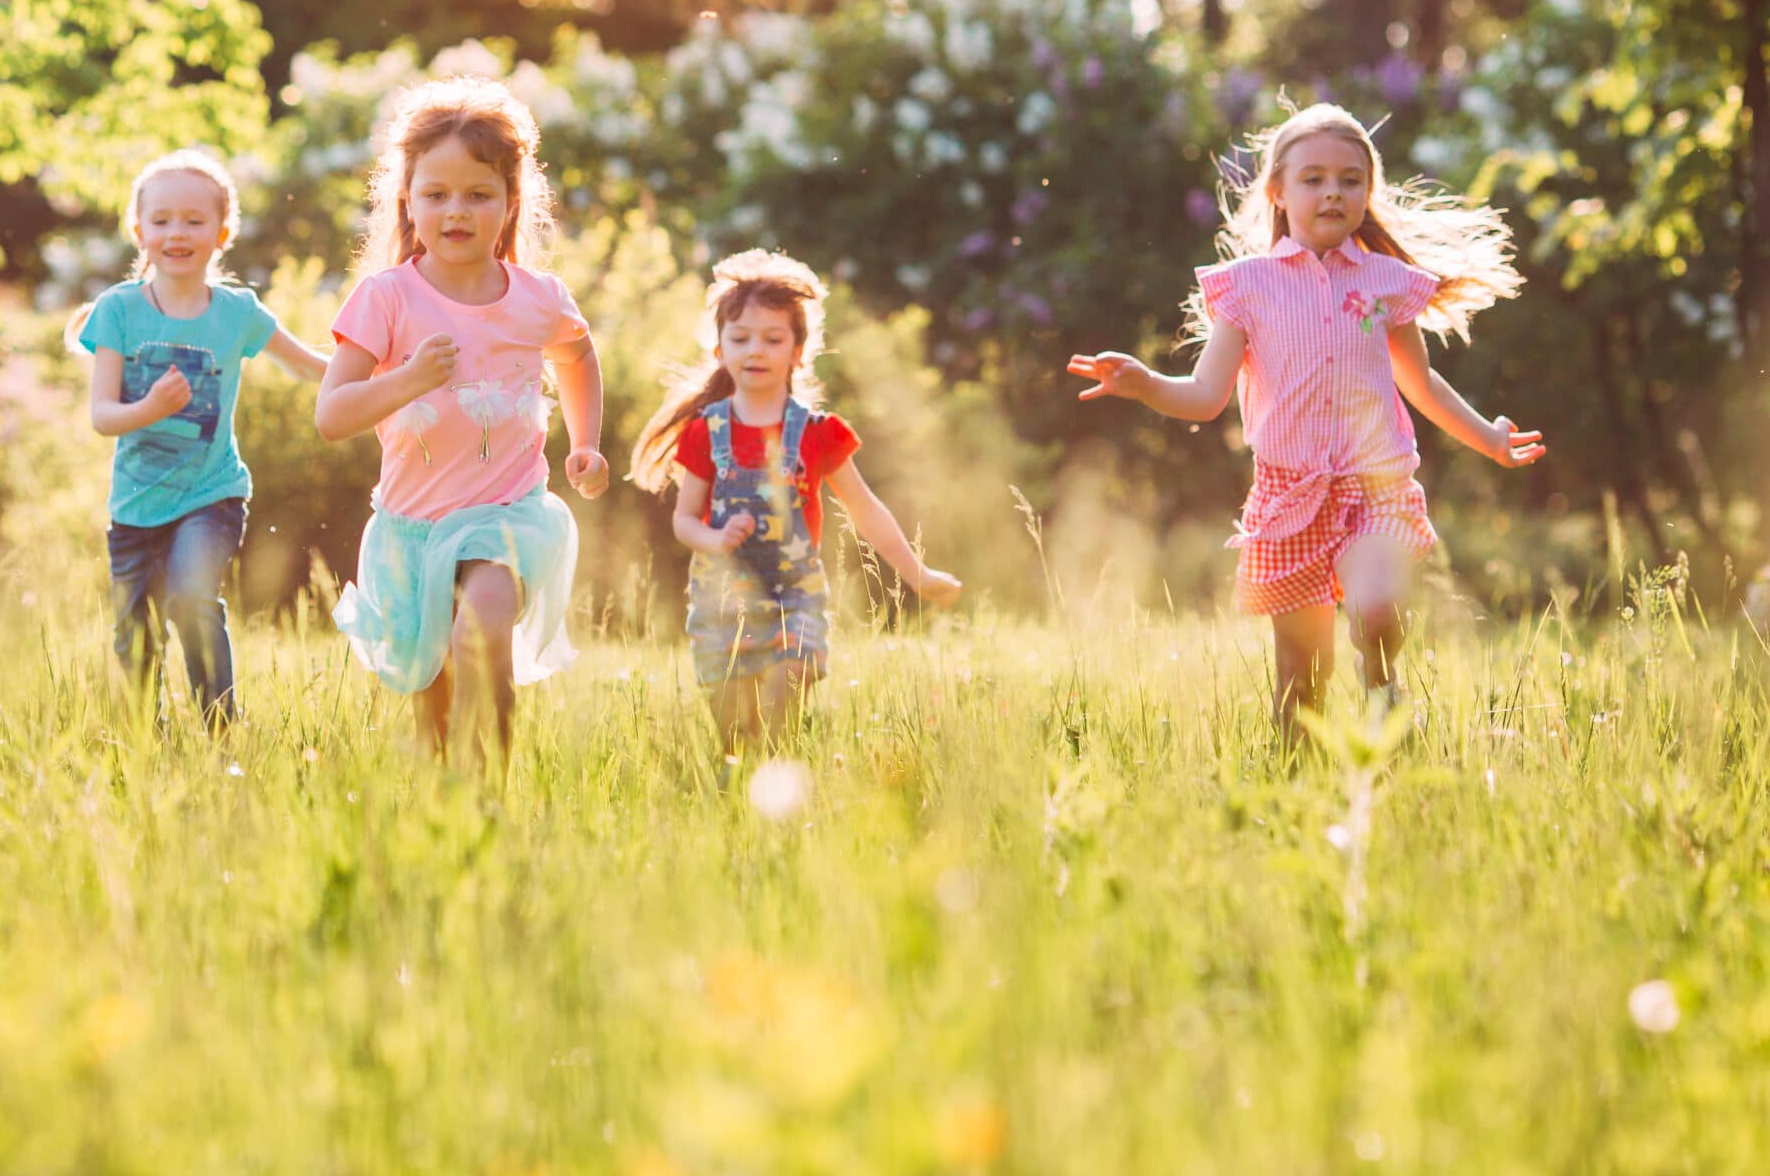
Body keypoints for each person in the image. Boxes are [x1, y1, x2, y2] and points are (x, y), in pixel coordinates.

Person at [1067, 103, 1545, 736]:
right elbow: (1206, 396)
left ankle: (1383, 689)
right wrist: (1146, 384)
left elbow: (1420, 382)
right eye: (1314, 178)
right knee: (1301, 685)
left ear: (1367, 193)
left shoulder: (1385, 282)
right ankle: (1299, 791)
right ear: (1279, 192)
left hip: (1375, 486)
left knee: (1375, 611)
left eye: (1350, 180)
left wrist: (1489, 438)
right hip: (1288, 498)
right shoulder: (1247, 288)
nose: (1333, 192)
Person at [315, 77, 608, 766]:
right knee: (435, 696)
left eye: (478, 194)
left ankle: (493, 781)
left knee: (482, 627)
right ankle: (450, 800)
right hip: (410, 530)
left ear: (510, 203)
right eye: (436, 194)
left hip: (506, 515)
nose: (457, 210)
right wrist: (410, 377)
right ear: (407, 200)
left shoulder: (536, 298)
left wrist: (586, 441)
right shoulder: (384, 298)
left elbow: (577, 353)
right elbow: (332, 415)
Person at [631, 250, 959, 753]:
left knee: (791, 682)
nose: (755, 350)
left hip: (795, 595)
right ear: (719, 349)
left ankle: (778, 778)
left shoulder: (817, 434)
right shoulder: (705, 432)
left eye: (772, 338)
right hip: (723, 602)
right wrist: (715, 538)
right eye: (740, 338)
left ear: (799, 351)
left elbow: (866, 508)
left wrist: (917, 575)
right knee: (737, 741)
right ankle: (741, 800)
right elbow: (683, 521)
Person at [76, 150, 329, 729]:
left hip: (211, 495)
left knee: (191, 599)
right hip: (136, 507)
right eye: (161, 220)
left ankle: (222, 731)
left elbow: (311, 366)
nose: (177, 233)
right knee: (133, 641)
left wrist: (393, 372)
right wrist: (151, 407)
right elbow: (102, 415)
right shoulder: (118, 310)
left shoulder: (237, 312)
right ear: (139, 231)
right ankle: (146, 747)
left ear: (223, 231)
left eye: (194, 220)